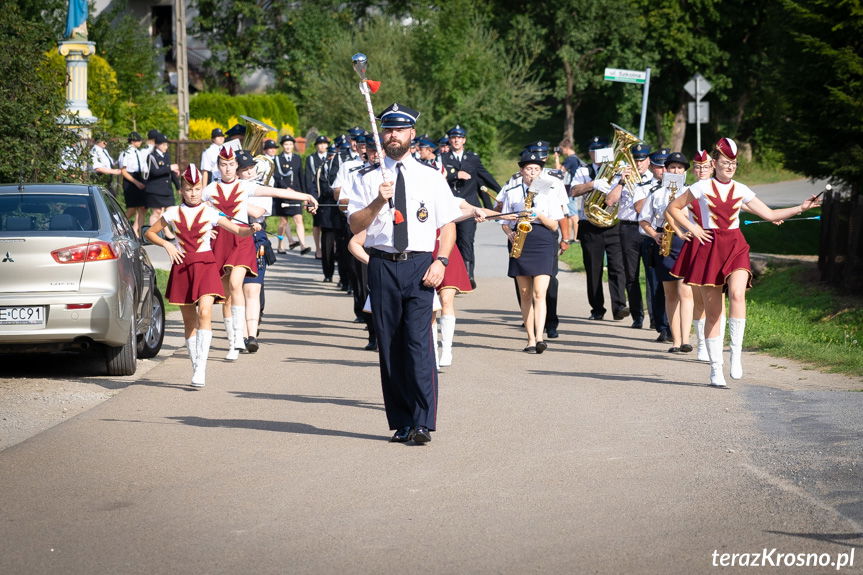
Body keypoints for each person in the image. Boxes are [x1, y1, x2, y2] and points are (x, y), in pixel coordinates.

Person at [345, 102, 463, 445]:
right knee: (391, 345)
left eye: (399, 130)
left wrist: (441, 262)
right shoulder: (366, 177)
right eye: (388, 130)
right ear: (381, 135)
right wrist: (378, 202)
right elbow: (354, 225)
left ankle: (423, 421)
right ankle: (402, 421)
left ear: (412, 133)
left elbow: (448, 225)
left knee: (418, 344)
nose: (393, 135)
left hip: (420, 264)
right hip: (382, 264)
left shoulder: (430, 176)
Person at [666, 138, 822, 387]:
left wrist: (801, 207)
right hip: (710, 247)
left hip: (735, 245)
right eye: (725, 162)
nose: (730, 167)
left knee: (738, 294)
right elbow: (673, 207)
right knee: (714, 312)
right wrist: (692, 228)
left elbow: (770, 214)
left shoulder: (742, 189)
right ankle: (716, 368)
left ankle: (736, 356)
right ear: (714, 163)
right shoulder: (701, 187)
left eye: (734, 163)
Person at [145, 165, 260, 387]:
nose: (193, 193)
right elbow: (150, 233)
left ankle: (201, 369)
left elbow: (238, 230)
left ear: (201, 189)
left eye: (197, 189)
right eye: (188, 189)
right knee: (190, 322)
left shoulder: (210, 212)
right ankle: (195, 363)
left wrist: (252, 229)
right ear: (181, 190)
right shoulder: (173, 213)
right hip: (183, 267)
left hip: (206, 265)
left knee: (205, 312)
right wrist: (168, 245)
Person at [205, 146, 318, 360]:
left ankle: (245, 337)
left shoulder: (244, 187)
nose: (228, 168)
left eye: (231, 164)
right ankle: (234, 339)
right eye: (224, 164)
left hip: (245, 240)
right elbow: (196, 211)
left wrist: (306, 196)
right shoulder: (210, 189)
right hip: (221, 242)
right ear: (219, 167)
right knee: (227, 295)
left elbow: (276, 193)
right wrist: (205, 227)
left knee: (241, 286)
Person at [499, 151, 563, 353]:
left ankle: (540, 337)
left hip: (543, 240)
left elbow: (554, 225)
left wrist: (539, 215)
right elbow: (504, 221)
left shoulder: (549, 191)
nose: (533, 172)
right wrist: (509, 232)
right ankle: (530, 339)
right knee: (525, 294)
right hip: (521, 240)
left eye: (536, 169)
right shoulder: (512, 192)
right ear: (522, 171)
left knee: (539, 293)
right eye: (529, 169)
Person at [638, 152, 694, 353]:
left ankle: (686, 339)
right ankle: (675, 340)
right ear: (666, 170)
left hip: (686, 240)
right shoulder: (657, 193)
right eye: (672, 168)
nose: (676, 171)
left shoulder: (692, 192)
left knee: (685, 291)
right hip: (665, 241)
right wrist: (654, 234)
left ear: (685, 172)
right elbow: (644, 219)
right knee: (670, 294)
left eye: (680, 168)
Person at [569, 137, 628, 321]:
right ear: (590, 153)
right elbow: (573, 191)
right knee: (593, 269)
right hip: (590, 225)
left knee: (617, 267)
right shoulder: (583, 170)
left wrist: (622, 178)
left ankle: (619, 306)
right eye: (594, 150)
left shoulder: (618, 169)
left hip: (614, 224)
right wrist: (592, 184)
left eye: (602, 150)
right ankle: (597, 309)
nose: (598, 154)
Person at [441, 124, 501, 288]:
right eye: (453, 138)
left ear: (464, 140)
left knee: (466, 241)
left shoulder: (472, 158)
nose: (456, 140)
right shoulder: (443, 158)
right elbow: (437, 177)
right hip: (449, 205)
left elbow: (485, 175)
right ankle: (451, 276)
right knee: (449, 241)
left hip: (469, 206)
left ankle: (468, 276)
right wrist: (455, 175)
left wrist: (500, 191)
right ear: (449, 140)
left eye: (459, 138)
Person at [639, 147, 671, 339]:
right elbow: (643, 217)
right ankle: (663, 326)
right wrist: (654, 234)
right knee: (657, 284)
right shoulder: (651, 190)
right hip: (656, 238)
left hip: (679, 239)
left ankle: (677, 326)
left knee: (679, 285)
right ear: (653, 168)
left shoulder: (686, 190)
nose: (665, 171)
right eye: (660, 167)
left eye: (669, 167)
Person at [144, 132, 179, 234]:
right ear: (157, 145)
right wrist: (169, 168)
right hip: (156, 189)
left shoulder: (166, 156)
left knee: (172, 211)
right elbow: (153, 172)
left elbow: (171, 173)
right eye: (163, 144)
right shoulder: (151, 156)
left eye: (166, 144)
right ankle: (153, 234)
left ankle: (172, 232)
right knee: (157, 212)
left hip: (166, 189)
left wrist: (178, 186)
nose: (166, 147)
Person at [305, 135, 330, 260]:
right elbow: (308, 178)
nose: (322, 146)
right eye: (320, 144)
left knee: (329, 224)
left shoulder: (331, 157)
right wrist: (310, 197)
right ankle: (318, 249)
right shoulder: (311, 158)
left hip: (329, 196)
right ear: (316, 146)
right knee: (317, 224)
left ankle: (330, 249)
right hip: (316, 194)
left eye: (325, 143)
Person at [118, 131, 147, 237]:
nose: (140, 142)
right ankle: (119, 226)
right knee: (132, 208)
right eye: (139, 140)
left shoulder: (138, 152)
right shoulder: (126, 152)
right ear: (133, 141)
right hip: (130, 180)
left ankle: (138, 232)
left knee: (142, 208)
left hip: (139, 177)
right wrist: (136, 182)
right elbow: (123, 171)